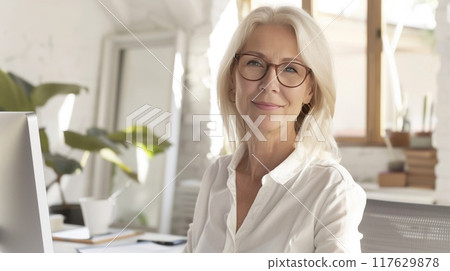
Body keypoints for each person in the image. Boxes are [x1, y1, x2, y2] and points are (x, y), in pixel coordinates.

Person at [183, 5, 366, 253]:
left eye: (290, 68)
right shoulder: (216, 176)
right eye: (255, 63)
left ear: (309, 91)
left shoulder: (332, 189)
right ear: (232, 82)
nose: (269, 84)